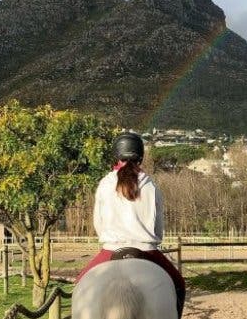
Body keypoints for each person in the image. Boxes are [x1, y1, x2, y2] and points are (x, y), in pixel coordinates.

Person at [76, 132, 186, 317]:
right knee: (179, 284)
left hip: (110, 250)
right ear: (141, 156)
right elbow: (158, 228)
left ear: (116, 155)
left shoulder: (105, 183)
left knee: (80, 283)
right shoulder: (151, 185)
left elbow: (98, 224)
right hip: (147, 251)